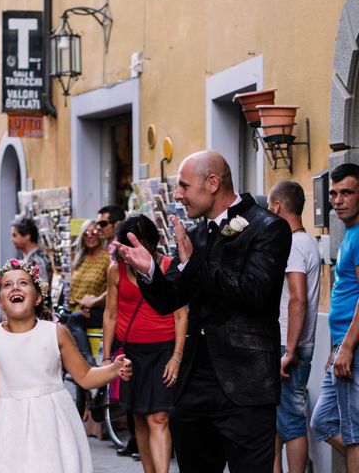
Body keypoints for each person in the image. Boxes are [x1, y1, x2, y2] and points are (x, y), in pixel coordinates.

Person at [114, 150, 292, 472]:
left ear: (212, 183)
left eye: (183, 185)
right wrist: (149, 271)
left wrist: (194, 263)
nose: (178, 194)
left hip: (246, 383)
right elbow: (170, 299)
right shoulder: (194, 234)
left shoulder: (269, 228)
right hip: (194, 383)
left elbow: (254, 292)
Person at [0, 259, 132, 472]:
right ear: (0, 302)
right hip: (6, 423)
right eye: (7, 285)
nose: (15, 287)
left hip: (51, 421)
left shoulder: (55, 332)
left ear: (37, 298)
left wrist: (113, 369)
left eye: (23, 283)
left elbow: (85, 375)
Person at [104, 215, 188, 473]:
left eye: (144, 246)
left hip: (163, 350)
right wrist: (107, 359)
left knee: (159, 416)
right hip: (129, 352)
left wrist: (176, 356)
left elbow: (181, 314)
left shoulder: (167, 266)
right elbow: (110, 313)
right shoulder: (115, 271)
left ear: (153, 244)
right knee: (138, 416)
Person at [267, 181, 321, 473]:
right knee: (278, 418)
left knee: (291, 420)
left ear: (277, 206)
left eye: (269, 207)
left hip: (290, 345)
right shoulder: (307, 242)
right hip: (294, 342)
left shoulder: (292, 244)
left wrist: (288, 351)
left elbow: (297, 299)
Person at [311, 163, 359, 471]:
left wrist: (348, 346)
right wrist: (338, 348)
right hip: (343, 345)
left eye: (347, 193)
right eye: (333, 193)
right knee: (323, 422)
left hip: (352, 347)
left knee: (353, 435)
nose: (338, 200)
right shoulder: (350, 234)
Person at [67, 219, 110, 365]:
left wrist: (91, 304)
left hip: (98, 309)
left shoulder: (107, 258)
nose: (90, 236)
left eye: (94, 232)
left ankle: (88, 363)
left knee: (73, 320)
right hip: (78, 309)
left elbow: (111, 290)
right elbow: (73, 288)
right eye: (86, 233)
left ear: (100, 235)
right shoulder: (79, 258)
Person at [11, 217, 53, 286]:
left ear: (27, 236)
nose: (12, 239)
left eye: (15, 235)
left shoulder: (37, 260)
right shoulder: (32, 257)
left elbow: (44, 287)